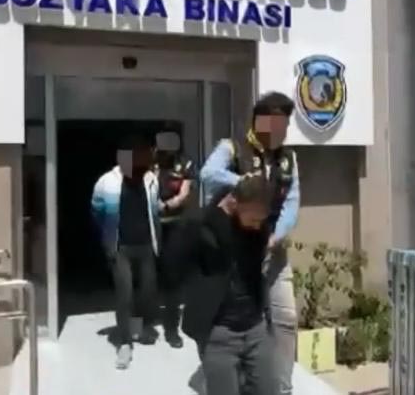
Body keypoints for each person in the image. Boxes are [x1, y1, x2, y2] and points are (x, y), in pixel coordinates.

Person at [200, 91, 300, 395]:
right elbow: (208, 174)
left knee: (285, 318)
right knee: (233, 316)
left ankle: (281, 388)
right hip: (236, 250)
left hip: (271, 248)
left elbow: (292, 203)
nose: (280, 131)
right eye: (275, 123)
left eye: (284, 125)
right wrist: (248, 184)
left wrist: (274, 237)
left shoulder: (289, 159)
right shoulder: (231, 148)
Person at [163, 174, 276, 395]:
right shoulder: (200, 226)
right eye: (254, 219)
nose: (258, 225)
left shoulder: (257, 230)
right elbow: (172, 267)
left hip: (255, 328)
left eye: (262, 220)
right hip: (218, 334)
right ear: (235, 203)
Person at [90, 134, 162, 370]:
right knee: (125, 293)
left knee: (147, 291)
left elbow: (154, 211)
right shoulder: (106, 182)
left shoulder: (151, 180)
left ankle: (137, 328)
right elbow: (97, 212)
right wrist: (108, 238)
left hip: (146, 245)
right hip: (121, 247)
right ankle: (124, 343)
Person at [153, 129, 195, 349]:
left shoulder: (185, 164)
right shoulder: (149, 161)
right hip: (150, 226)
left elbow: (184, 193)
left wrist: (167, 205)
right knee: (146, 275)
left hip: (175, 225)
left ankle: (171, 329)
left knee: (172, 278)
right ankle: (144, 322)